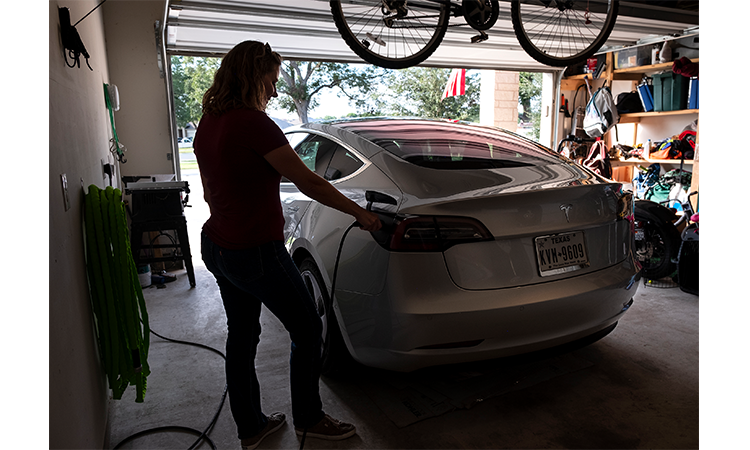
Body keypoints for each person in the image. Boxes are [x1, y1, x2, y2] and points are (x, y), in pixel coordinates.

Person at [193, 40, 381, 450]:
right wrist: (360, 214)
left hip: (218, 246)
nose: (274, 91)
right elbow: (309, 181)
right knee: (308, 328)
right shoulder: (254, 124)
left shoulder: (208, 122)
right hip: (255, 251)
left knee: (241, 337)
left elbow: (215, 189)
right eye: (271, 81)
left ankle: (251, 428)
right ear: (252, 76)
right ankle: (310, 420)